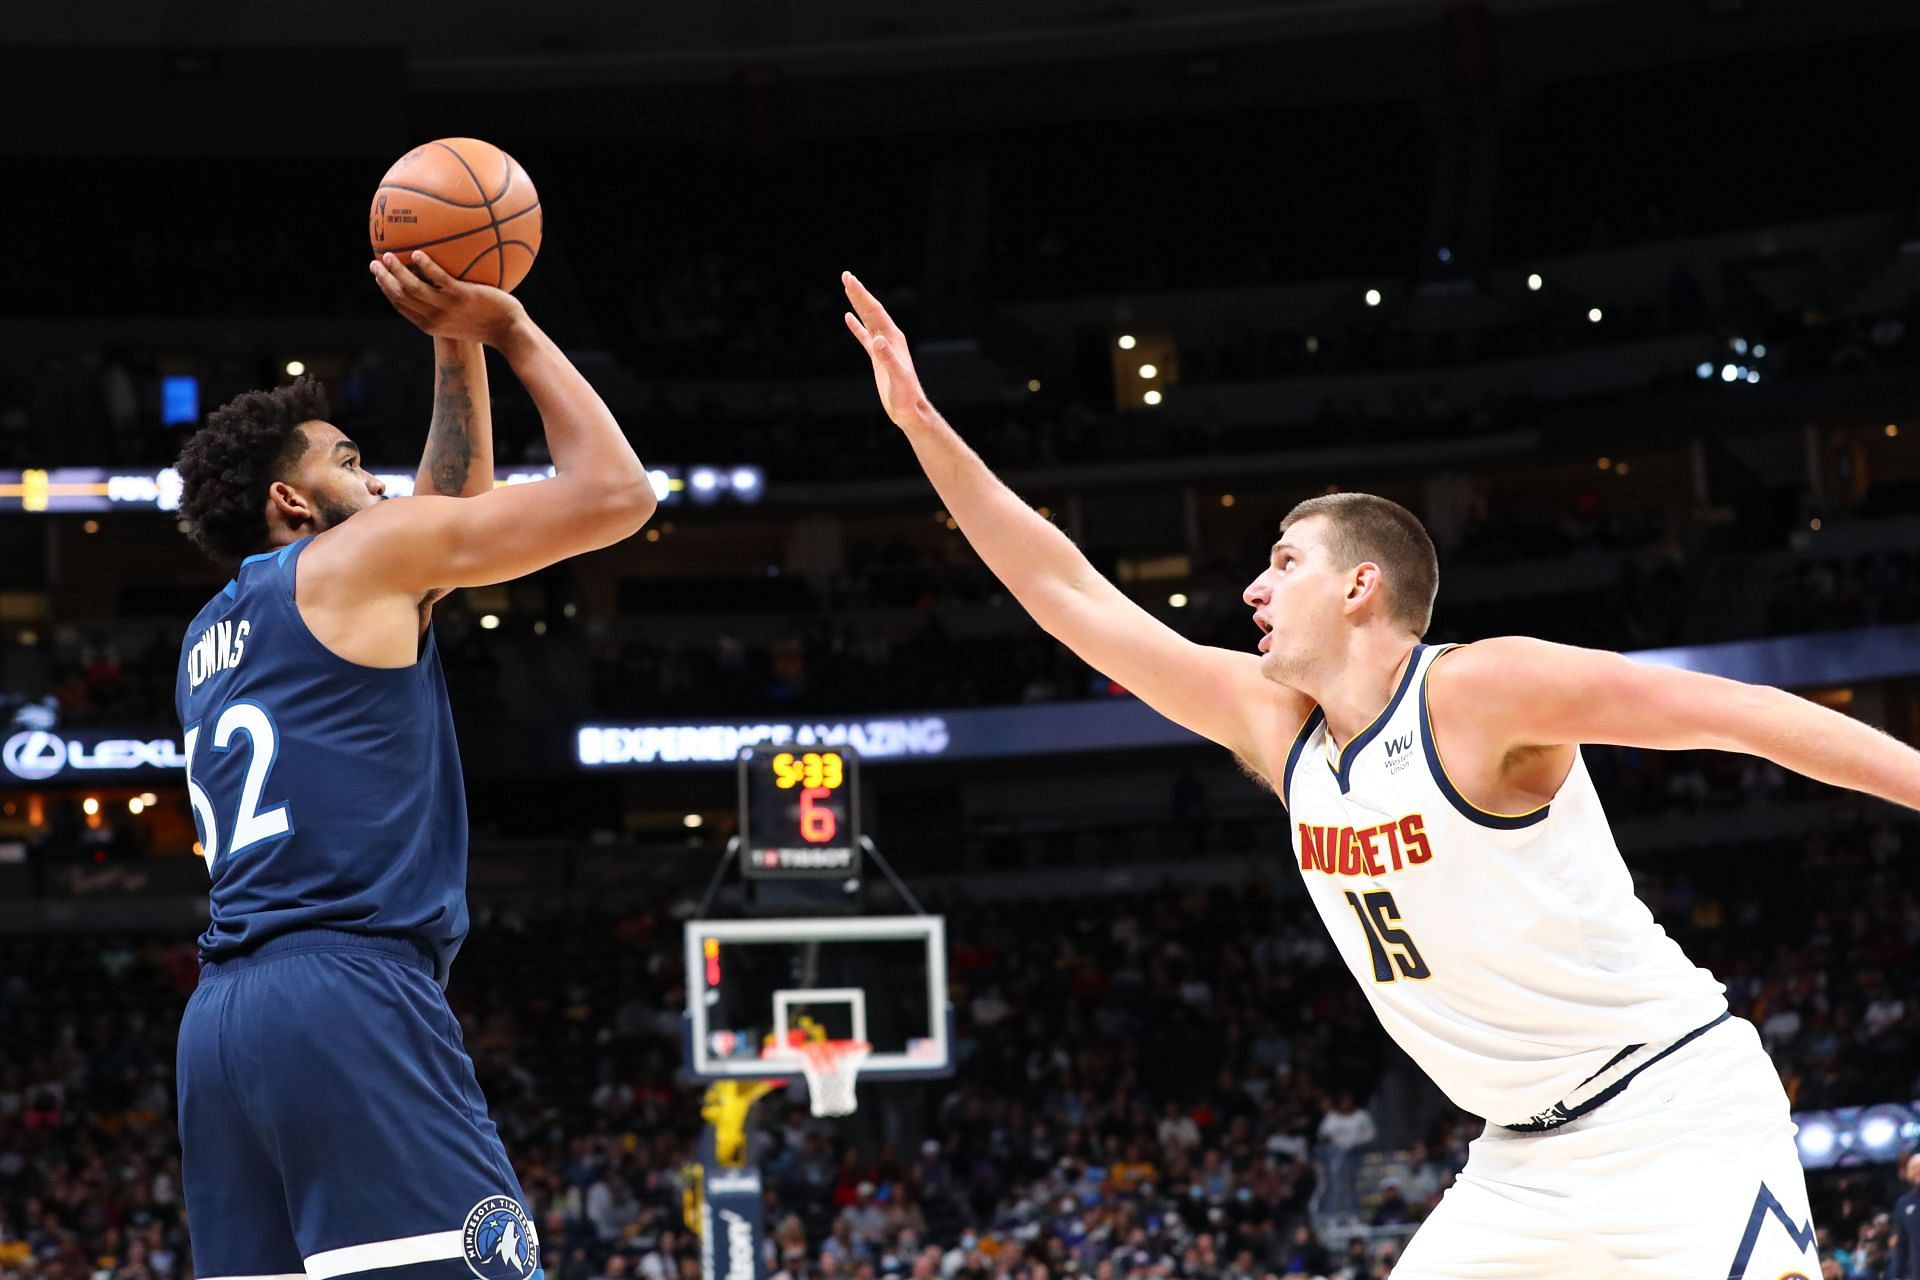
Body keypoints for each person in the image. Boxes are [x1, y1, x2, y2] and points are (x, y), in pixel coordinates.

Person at [841, 270, 1920, 1278]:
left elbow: (1750, 715)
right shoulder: (1276, 727)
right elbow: (1064, 589)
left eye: (1282, 560)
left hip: (1674, 1113)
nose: (1254, 589)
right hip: (1518, 1168)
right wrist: (923, 428)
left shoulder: (1482, 690)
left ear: (1362, 585)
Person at [172, 249, 656, 1280]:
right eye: (348, 461)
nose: (380, 479)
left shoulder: (212, 630)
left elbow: (445, 505)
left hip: (219, 1022)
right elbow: (617, 493)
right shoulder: (355, 562)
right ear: (290, 503)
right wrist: (511, 329)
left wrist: (453, 336)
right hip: (349, 991)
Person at [1893, 1151, 1920, 1280]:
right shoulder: (1903, 1203)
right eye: (1913, 1168)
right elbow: (1902, 1243)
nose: (1917, 1172)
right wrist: (1897, 1274)